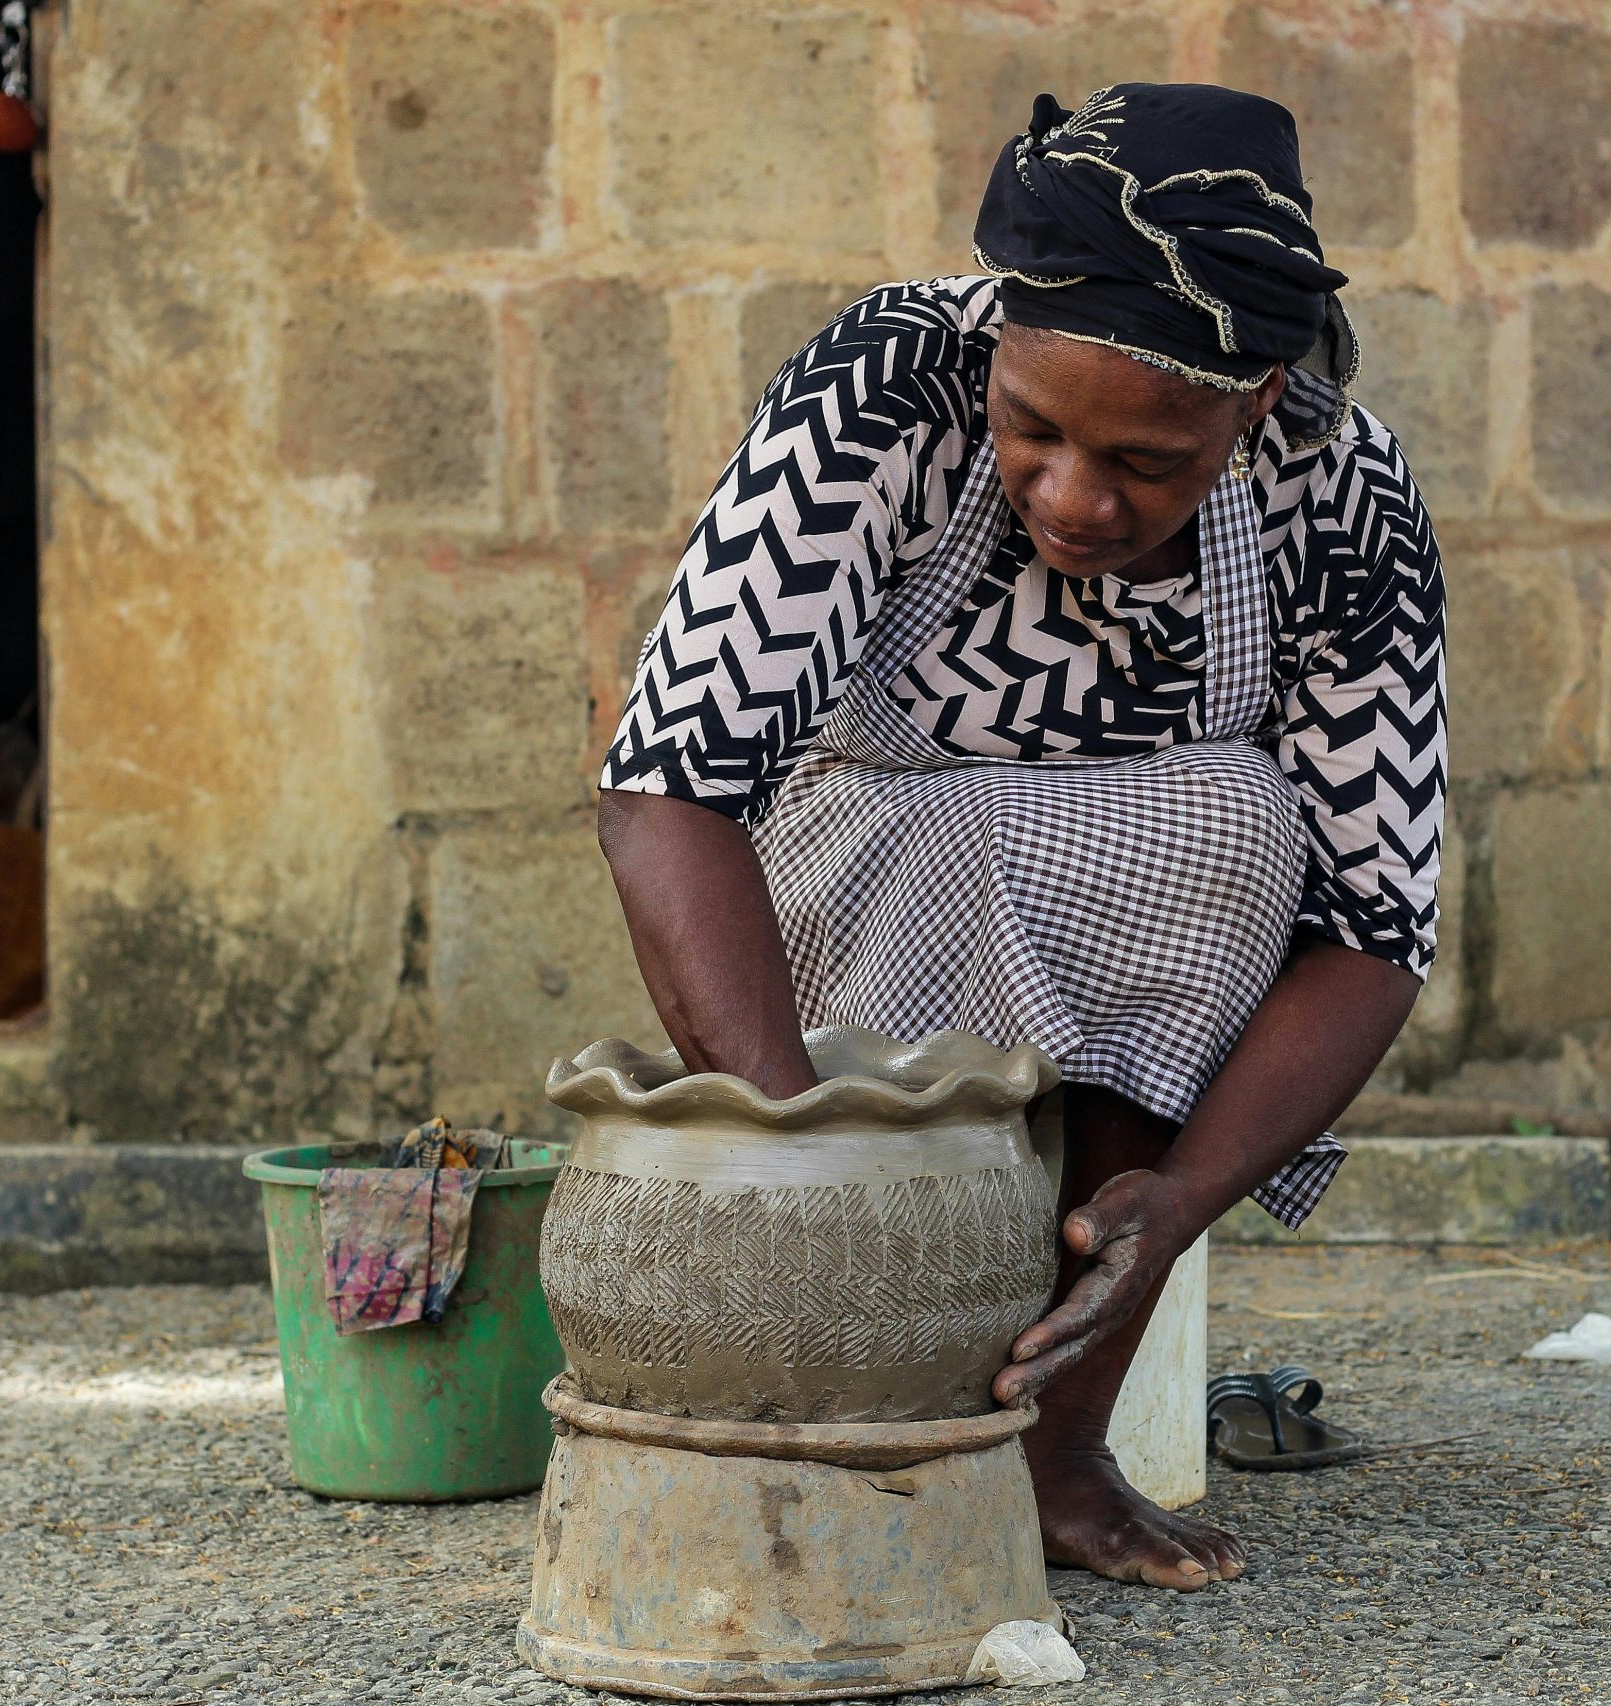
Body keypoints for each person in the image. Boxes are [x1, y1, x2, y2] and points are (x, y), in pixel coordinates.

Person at [595, 83, 1447, 1591]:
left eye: (1147, 462)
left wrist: (1179, 1203)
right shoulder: (882, 385)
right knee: (953, 834)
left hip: (1146, 961)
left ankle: (1060, 1448)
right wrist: (802, 1156)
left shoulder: (1343, 490)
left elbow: (1375, 925)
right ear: (994, 352)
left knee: (1233, 817)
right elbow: (670, 782)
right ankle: (869, 1401)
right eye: (1032, 428)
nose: (1073, 494)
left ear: (1252, 406)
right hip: (848, 885)